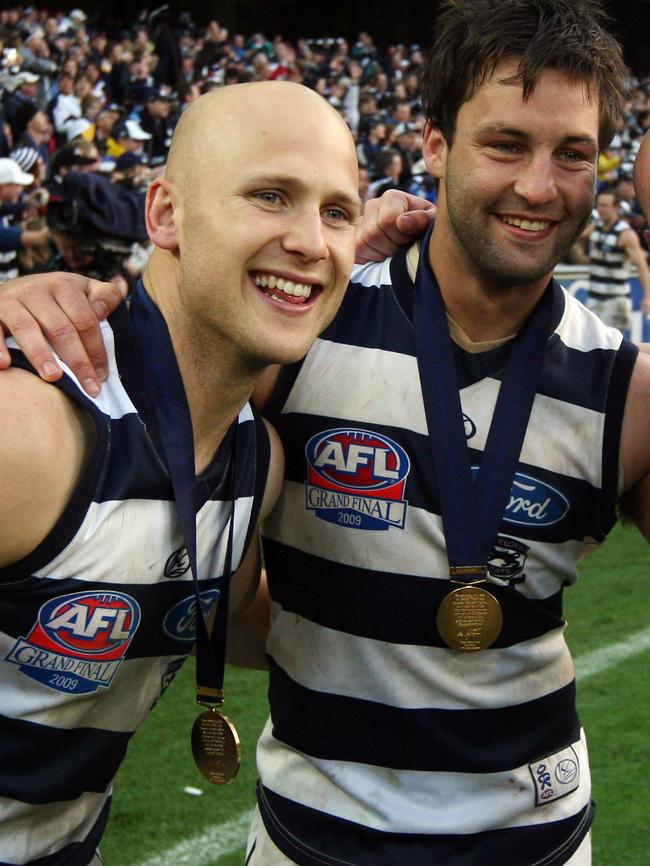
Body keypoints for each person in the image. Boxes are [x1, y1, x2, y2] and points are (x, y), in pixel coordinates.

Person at [1, 3, 650, 865]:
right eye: (505, 144)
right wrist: (51, 302)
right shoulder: (298, 338)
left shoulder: (628, 393)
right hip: (310, 837)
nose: (539, 185)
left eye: (574, 153)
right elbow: (177, 335)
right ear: (433, 145)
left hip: (537, 838)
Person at [0, 80, 361, 866]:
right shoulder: (30, 429)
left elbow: (234, 619)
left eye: (338, 212)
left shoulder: (253, 465)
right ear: (165, 215)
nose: (311, 241)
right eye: (272, 195)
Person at [579, 188, 650, 332]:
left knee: (609, 349)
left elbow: (642, 266)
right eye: (599, 205)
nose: (601, 209)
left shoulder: (625, 234)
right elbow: (575, 240)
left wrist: (647, 296)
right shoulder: (596, 227)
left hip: (615, 302)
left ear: (616, 207)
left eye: (605, 206)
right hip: (594, 299)